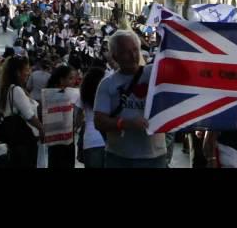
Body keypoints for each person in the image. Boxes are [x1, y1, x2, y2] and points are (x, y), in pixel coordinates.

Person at [93, 30, 167, 168]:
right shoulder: (107, 84)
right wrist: (126, 124)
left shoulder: (154, 73)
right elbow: (99, 122)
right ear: (115, 56)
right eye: (126, 52)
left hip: (155, 158)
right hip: (119, 158)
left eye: (135, 50)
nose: (133, 56)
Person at [0, 55, 45, 168]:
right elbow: (29, 115)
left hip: (18, 141)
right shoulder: (17, 90)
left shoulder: (10, 89)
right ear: (18, 72)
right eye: (26, 69)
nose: (29, 72)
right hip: (25, 141)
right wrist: (42, 129)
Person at [46, 64, 79, 169]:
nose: (73, 81)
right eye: (70, 78)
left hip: (54, 138)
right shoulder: (70, 94)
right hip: (65, 137)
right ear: (61, 80)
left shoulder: (48, 93)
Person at [77, 67, 106, 168]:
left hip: (90, 140)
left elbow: (78, 117)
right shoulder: (106, 94)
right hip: (108, 140)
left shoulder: (83, 95)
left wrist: (78, 127)